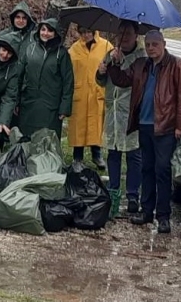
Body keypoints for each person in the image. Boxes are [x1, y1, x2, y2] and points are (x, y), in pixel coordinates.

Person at [107, 29, 181, 233]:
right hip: (144, 125)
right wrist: (115, 63)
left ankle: (163, 216)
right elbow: (121, 80)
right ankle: (146, 211)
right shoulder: (140, 65)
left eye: (155, 44)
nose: (151, 48)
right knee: (147, 167)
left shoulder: (178, 66)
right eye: (148, 45)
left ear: (164, 44)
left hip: (165, 126)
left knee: (162, 170)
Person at [96, 20, 146, 217]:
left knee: (134, 155)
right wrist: (100, 72)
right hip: (112, 112)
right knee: (113, 153)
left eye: (128, 34)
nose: (123, 37)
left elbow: (128, 80)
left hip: (131, 112)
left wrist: (116, 63)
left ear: (135, 36)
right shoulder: (110, 54)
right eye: (121, 33)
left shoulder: (141, 57)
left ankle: (133, 194)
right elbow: (101, 80)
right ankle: (114, 190)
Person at [17, 18, 74, 139]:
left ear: (55, 33)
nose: (45, 33)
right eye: (43, 30)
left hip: (50, 106)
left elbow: (68, 81)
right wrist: (16, 101)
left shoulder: (62, 53)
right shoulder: (30, 49)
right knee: (27, 139)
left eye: (49, 30)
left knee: (47, 139)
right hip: (29, 103)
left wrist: (65, 107)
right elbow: (19, 77)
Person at [68, 27, 113, 168]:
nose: (86, 35)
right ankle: (77, 157)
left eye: (89, 31)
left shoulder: (106, 46)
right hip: (80, 94)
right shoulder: (73, 50)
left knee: (96, 125)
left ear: (94, 31)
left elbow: (114, 70)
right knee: (79, 127)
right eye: (83, 32)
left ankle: (97, 156)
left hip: (97, 92)